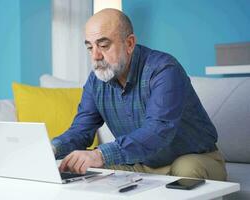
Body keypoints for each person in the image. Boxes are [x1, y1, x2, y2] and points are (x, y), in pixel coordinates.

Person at [51, 8, 227, 181]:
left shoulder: (164, 70)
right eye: (90, 47)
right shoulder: (96, 81)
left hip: (194, 158)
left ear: (129, 43)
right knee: (84, 170)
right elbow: (81, 130)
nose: (96, 56)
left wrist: (101, 154)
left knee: (187, 169)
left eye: (104, 45)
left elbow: (158, 130)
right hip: (140, 164)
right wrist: (53, 148)